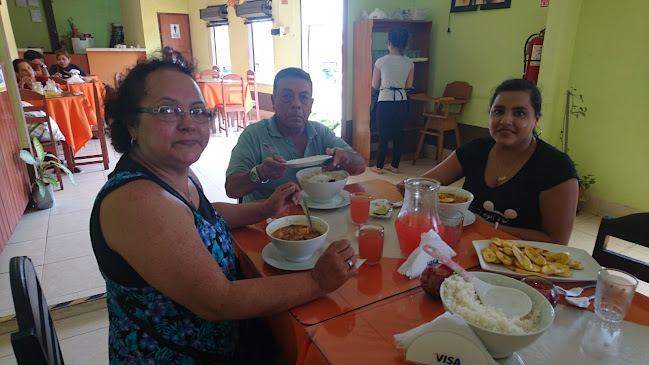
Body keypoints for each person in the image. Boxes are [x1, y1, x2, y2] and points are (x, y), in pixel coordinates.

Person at [91, 55, 358, 363]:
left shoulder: (174, 173)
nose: (189, 123)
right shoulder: (137, 202)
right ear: (131, 123)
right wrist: (317, 281)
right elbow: (219, 301)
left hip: (222, 339)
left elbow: (201, 214)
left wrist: (265, 208)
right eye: (167, 110)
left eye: (197, 111)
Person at [399, 79, 578, 245]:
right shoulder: (475, 150)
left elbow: (556, 242)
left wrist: (490, 227)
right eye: (498, 111)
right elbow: (420, 188)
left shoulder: (556, 167)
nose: (506, 121)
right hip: (468, 251)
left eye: (519, 113)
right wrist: (405, 189)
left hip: (523, 266)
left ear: (535, 120)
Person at [226, 67, 366, 202]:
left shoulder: (320, 132)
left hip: (316, 215)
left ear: (310, 104)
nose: (296, 104)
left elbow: (360, 166)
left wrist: (346, 158)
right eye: (287, 96)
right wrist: (261, 173)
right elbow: (231, 189)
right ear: (273, 101)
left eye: (304, 97)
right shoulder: (254, 135)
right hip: (267, 219)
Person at [370, 28, 414, 175]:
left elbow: (375, 84)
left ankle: (379, 166)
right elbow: (409, 85)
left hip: (385, 101)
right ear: (404, 45)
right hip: (401, 101)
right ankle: (395, 166)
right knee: (398, 134)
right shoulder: (409, 62)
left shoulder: (380, 62)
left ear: (389, 43)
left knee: (383, 135)